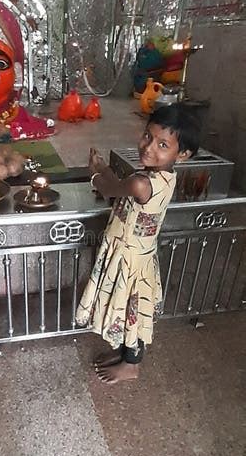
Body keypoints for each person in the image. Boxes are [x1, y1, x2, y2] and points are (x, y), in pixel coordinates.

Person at [76, 103, 201, 385]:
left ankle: (131, 365)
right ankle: (124, 354)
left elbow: (111, 189)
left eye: (162, 144)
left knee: (132, 312)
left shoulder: (143, 183)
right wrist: (106, 169)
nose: (148, 147)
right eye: (148, 136)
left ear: (182, 155)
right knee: (129, 307)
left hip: (129, 258)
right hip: (139, 254)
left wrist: (95, 171)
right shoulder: (160, 177)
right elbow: (122, 184)